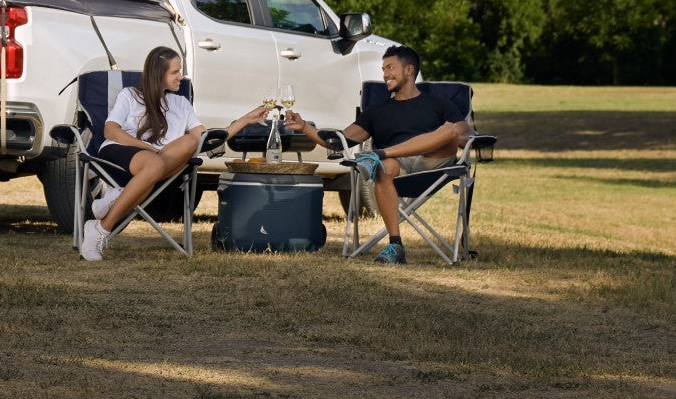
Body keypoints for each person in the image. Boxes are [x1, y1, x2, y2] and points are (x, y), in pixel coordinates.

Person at [284, 44, 472, 264]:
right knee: (384, 167)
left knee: (449, 130)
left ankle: (378, 155)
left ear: (409, 70)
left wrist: (457, 135)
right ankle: (395, 245)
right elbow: (339, 141)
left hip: (435, 165)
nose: (385, 75)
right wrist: (305, 126)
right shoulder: (377, 111)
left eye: (390, 67)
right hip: (395, 169)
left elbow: (463, 134)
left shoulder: (438, 103)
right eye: (383, 69)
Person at [80, 46, 270, 262]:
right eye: (175, 72)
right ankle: (102, 229)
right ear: (158, 73)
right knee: (154, 163)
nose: (181, 76)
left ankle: (115, 201)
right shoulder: (131, 95)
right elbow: (111, 130)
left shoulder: (181, 103)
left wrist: (245, 119)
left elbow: (209, 138)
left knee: (191, 140)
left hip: (159, 163)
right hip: (120, 151)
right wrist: (149, 149)